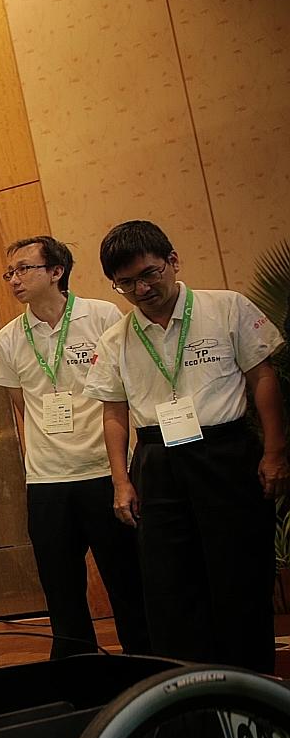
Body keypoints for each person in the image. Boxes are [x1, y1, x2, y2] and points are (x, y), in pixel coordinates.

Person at [84, 220, 287, 674]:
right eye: (126, 283)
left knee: (239, 577)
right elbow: (114, 413)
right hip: (157, 460)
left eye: (149, 273)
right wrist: (121, 481)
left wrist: (274, 452)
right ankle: (191, 696)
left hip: (226, 453)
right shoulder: (116, 338)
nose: (141, 288)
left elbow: (263, 377)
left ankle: (251, 685)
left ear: (173, 261)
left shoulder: (226, 307)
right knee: (170, 585)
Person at [0, 235, 149, 659]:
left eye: (24, 268)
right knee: (61, 592)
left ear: (56, 272)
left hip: (104, 473)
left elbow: (123, 392)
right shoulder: (8, 338)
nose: (14, 279)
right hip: (47, 482)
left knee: (128, 583)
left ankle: (145, 671)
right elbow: (21, 406)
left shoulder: (103, 316)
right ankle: (78, 676)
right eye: (10, 272)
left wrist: (123, 474)